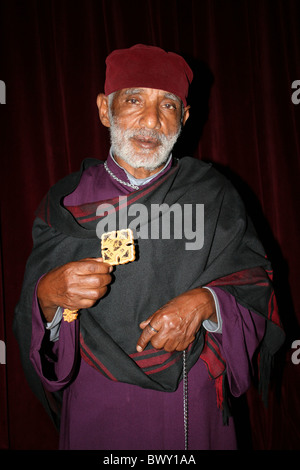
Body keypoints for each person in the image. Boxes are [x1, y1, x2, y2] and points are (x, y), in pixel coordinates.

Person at [14, 44, 284, 450]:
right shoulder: (68, 203)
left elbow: (253, 285)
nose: (151, 121)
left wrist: (207, 304)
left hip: (189, 401)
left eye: (169, 106)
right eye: (134, 100)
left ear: (185, 118)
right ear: (106, 109)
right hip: (96, 399)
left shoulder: (214, 196)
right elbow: (33, 313)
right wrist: (50, 296)